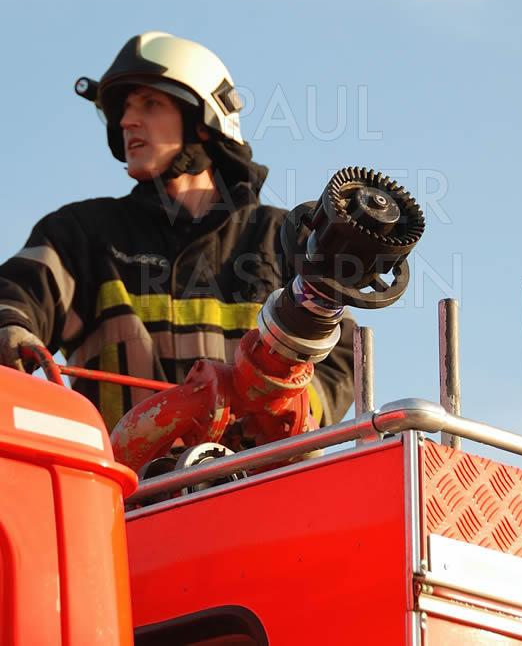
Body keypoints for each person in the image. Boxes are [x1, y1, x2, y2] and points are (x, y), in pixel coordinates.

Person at [0, 31, 354, 432]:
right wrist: (9, 326)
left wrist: (292, 412)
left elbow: (340, 355)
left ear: (202, 123)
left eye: (150, 105)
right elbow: (16, 295)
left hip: (257, 471)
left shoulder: (281, 239)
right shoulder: (81, 235)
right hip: (119, 473)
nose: (127, 121)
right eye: (124, 109)